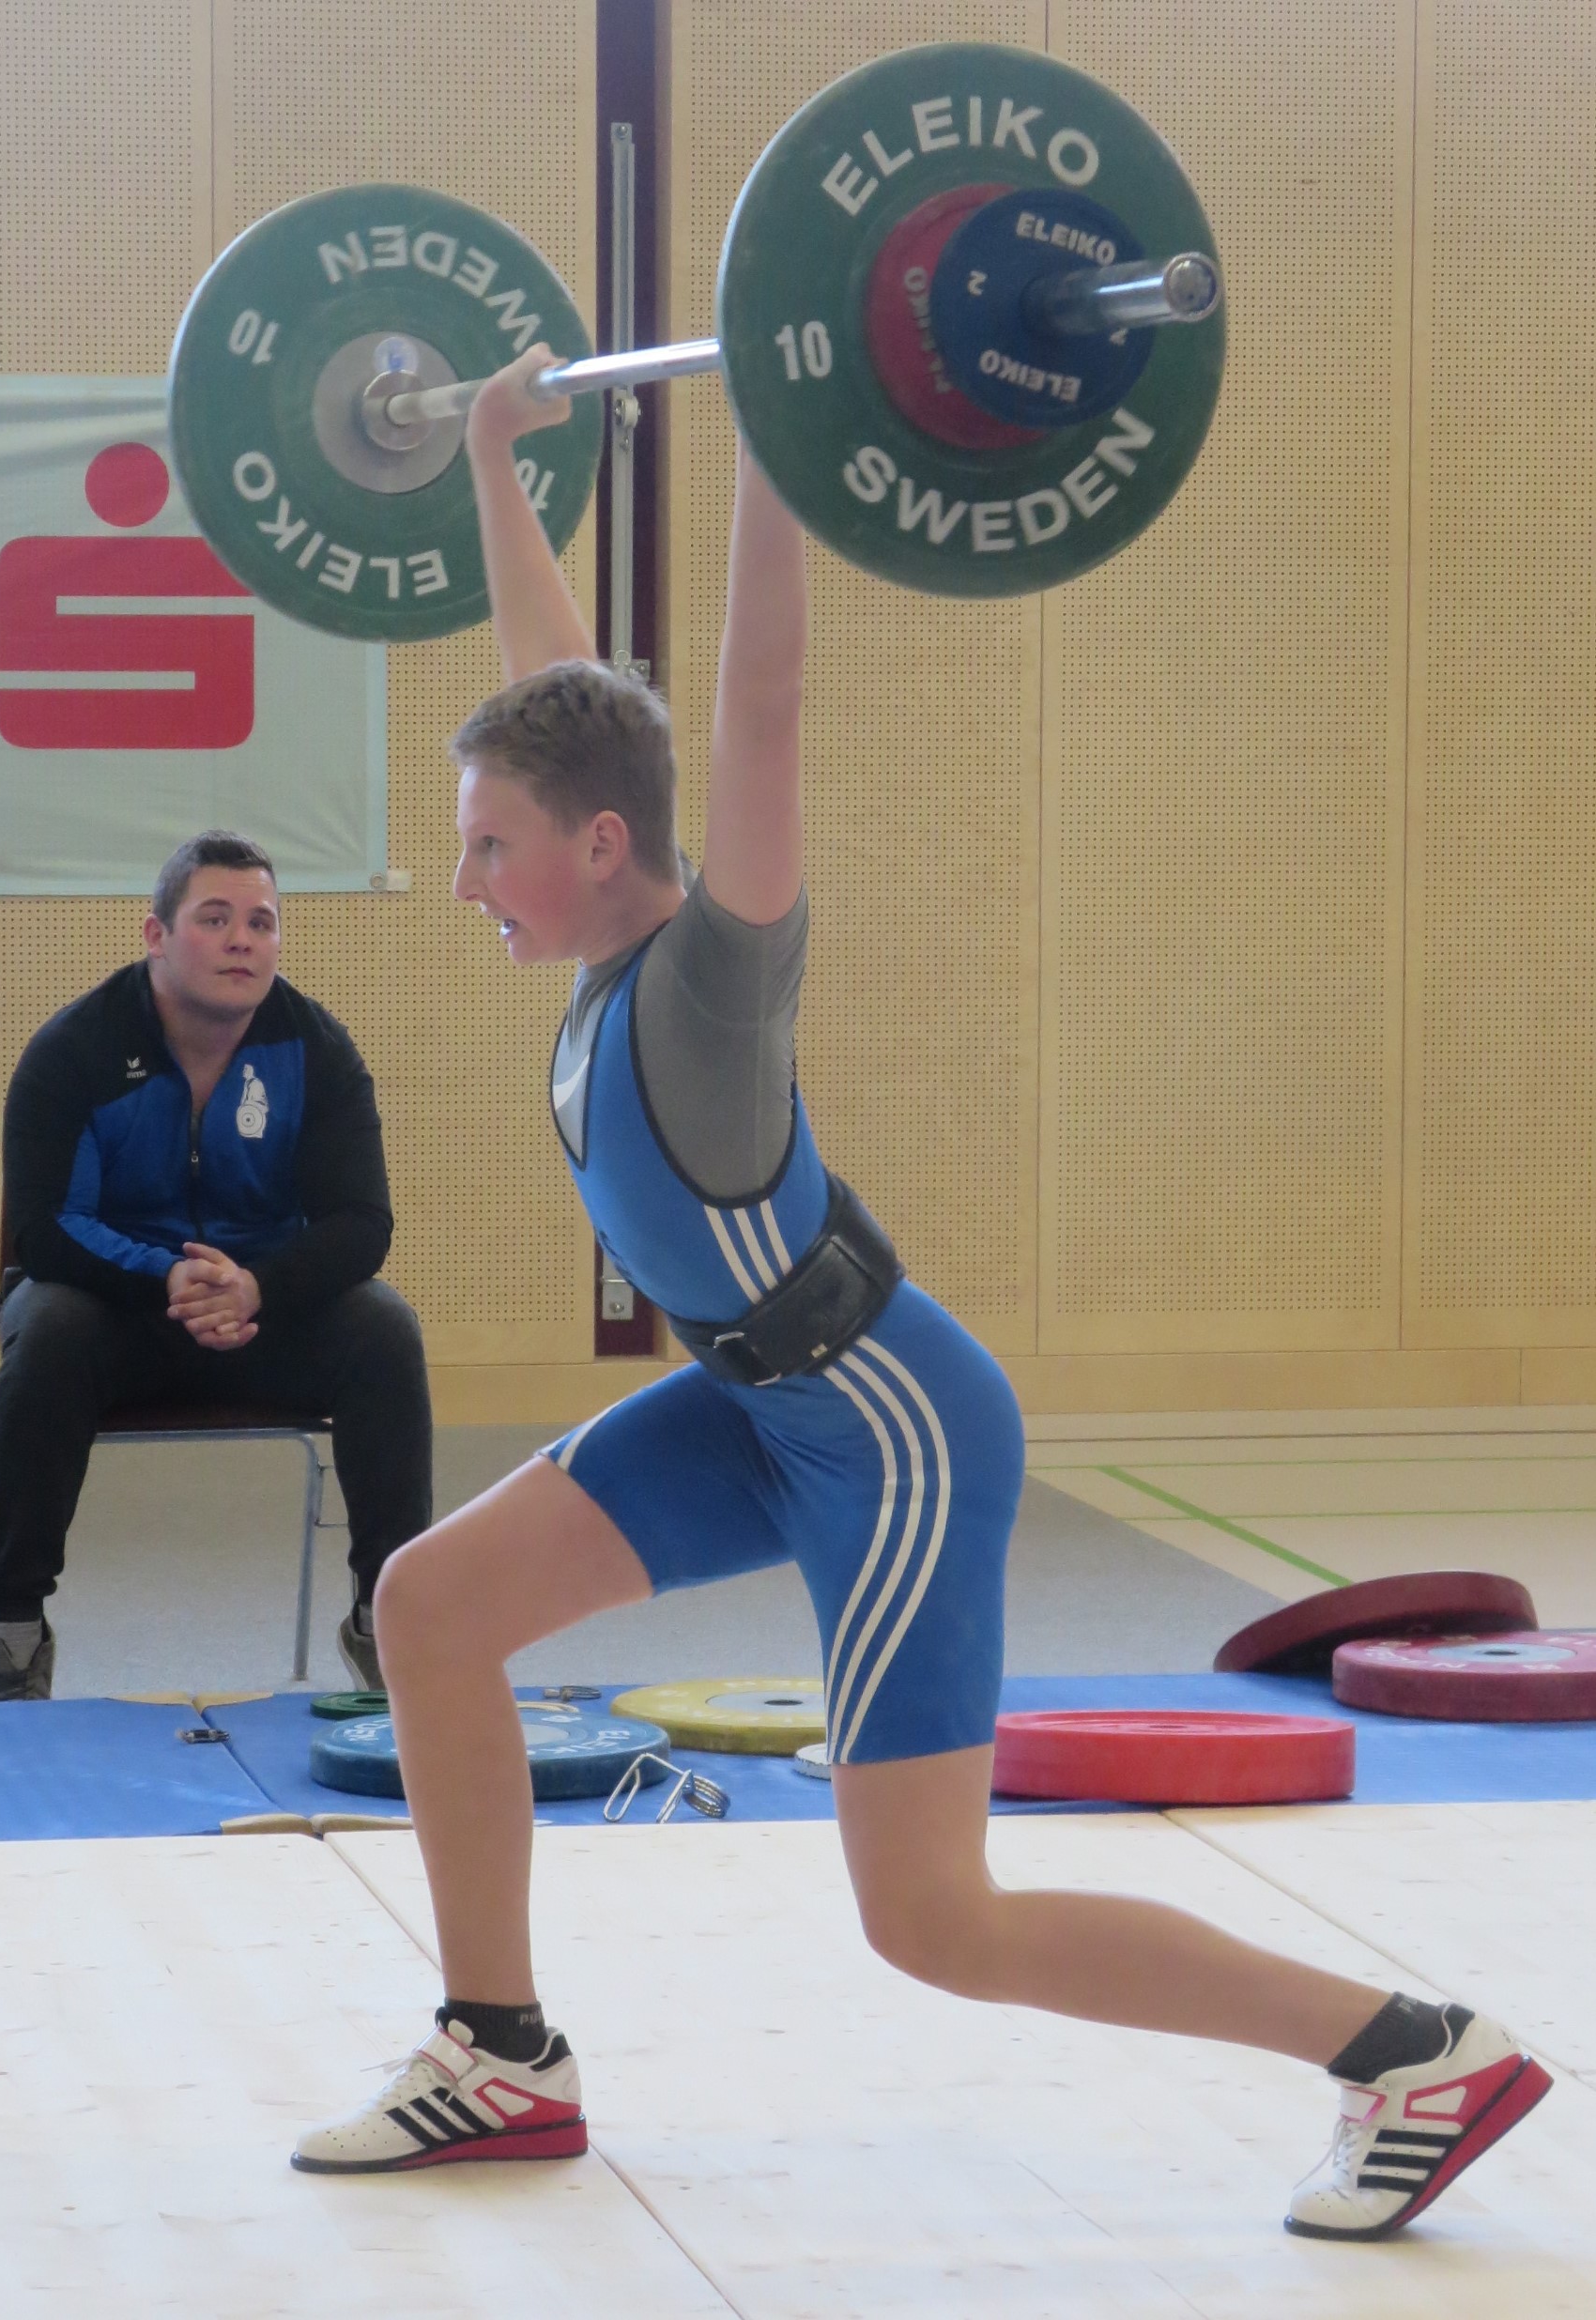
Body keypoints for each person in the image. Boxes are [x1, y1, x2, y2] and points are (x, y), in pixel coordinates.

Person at [291, 352, 1548, 2240]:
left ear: (598, 848)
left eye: (485, 845)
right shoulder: (599, 910)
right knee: (431, 1603)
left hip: (886, 1428)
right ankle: (499, 2051)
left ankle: (1411, 2049)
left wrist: (779, 446)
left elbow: (757, 707)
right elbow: (565, 698)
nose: (466, 876)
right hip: (758, 1398)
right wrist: (488, 451)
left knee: (932, 1917)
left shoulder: (708, 982)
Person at [0, 829, 432, 1700]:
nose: (241, 941)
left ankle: (390, 1618)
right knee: (48, 1325)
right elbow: (46, 1230)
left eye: (261, 922)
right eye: (215, 919)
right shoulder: (73, 1050)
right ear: (157, 934)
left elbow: (361, 1223)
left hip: (259, 1312)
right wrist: (164, 1277)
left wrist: (258, 1286)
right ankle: (11, 1631)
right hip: (114, 1309)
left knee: (384, 1327)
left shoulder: (317, 1050)